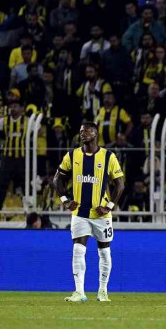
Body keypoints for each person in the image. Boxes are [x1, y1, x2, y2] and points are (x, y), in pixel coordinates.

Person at [51, 121, 126, 302]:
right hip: (80, 214)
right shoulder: (72, 155)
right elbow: (56, 180)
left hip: (102, 215)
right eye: (81, 131)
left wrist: (108, 206)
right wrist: (65, 200)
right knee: (78, 250)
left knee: (105, 253)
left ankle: (102, 291)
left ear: (95, 133)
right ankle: (79, 292)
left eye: (87, 131)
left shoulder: (108, 157)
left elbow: (120, 184)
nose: (83, 134)